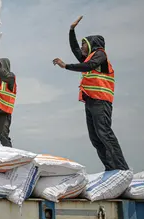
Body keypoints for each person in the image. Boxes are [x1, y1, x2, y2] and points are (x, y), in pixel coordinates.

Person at [52, 16, 129, 171]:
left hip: (101, 101)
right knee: (95, 138)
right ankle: (110, 168)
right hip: (91, 101)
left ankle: (122, 169)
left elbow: (89, 66)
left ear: (91, 45)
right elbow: (75, 51)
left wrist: (65, 66)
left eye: (83, 45)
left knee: (105, 134)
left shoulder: (100, 54)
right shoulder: (88, 57)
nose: (81, 48)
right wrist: (71, 31)